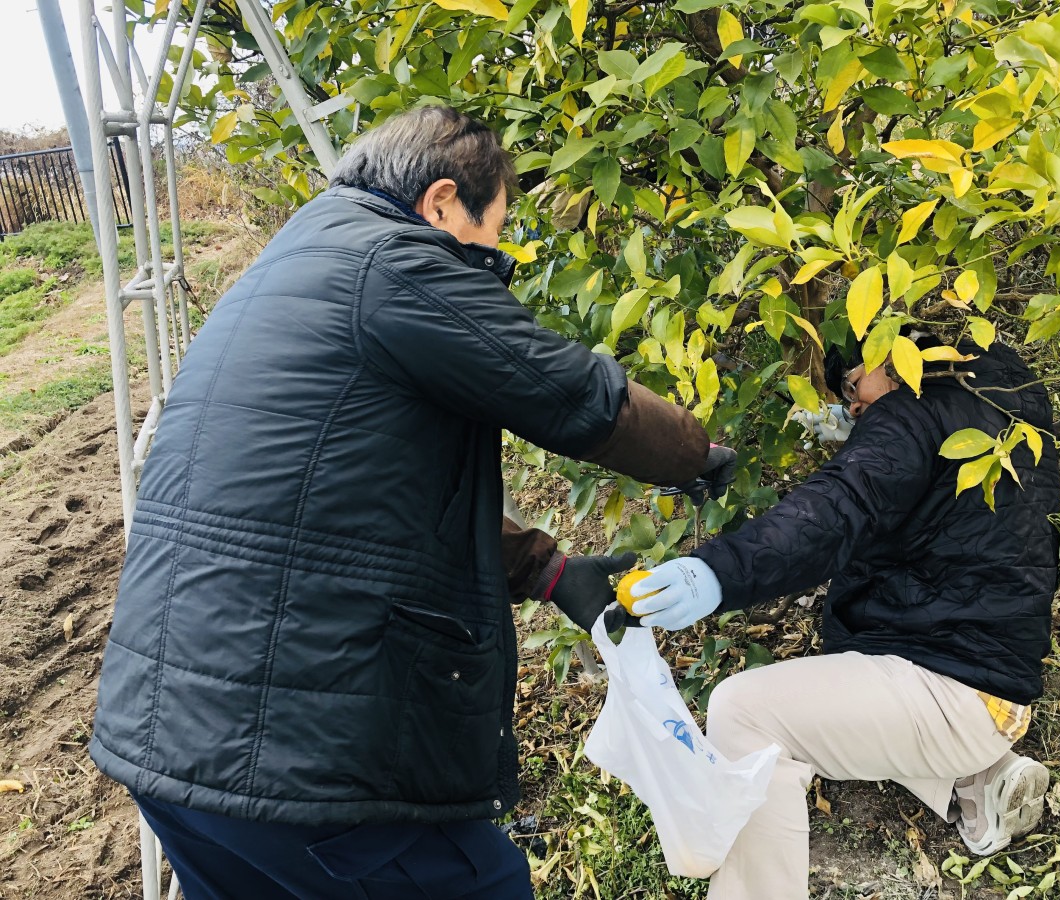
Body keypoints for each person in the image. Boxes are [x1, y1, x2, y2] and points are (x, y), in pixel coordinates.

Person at [89, 106, 735, 900]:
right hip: (295, 758)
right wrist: (693, 453)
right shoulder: (389, 262)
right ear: (440, 202)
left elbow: (353, 503)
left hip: (168, 738)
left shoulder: (290, 265)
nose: (488, 258)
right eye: (490, 235)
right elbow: (565, 392)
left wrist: (546, 568)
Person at [623, 333, 1060, 898]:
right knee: (841, 677)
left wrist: (717, 572)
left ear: (892, 353)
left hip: (955, 691)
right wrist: (868, 427)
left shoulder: (908, 417)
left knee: (745, 714)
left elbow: (836, 508)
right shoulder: (1005, 388)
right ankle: (975, 780)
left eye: (853, 386)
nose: (853, 406)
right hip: (993, 680)